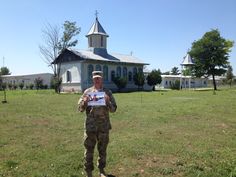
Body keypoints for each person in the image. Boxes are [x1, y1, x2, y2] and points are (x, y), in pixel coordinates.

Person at [78, 71, 117, 177]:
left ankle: (101, 171)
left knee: (102, 150)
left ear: (102, 79)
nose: (97, 80)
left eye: (99, 78)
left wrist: (108, 101)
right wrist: (84, 102)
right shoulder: (87, 92)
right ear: (92, 79)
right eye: (95, 78)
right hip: (90, 127)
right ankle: (89, 173)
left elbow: (114, 109)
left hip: (103, 127)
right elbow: (80, 109)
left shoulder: (107, 92)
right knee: (89, 150)